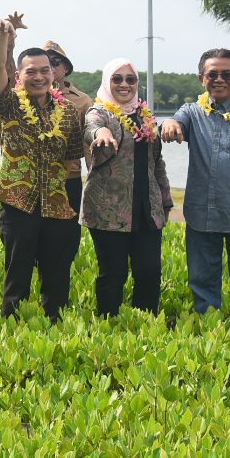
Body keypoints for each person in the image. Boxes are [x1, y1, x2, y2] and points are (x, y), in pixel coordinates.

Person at [160, 48, 230, 323]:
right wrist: (171, 123)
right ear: (202, 78)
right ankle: (208, 333)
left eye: (226, 74)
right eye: (212, 74)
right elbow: (177, 121)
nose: (219, 79)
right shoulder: (193, 111)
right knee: (202, 282)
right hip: (201, 212)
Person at [0, 15, 86, 321]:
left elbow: (72, 160)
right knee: (17, 271)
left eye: (46, 70)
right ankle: (11, 324)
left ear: (54, 75)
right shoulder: (9, 103)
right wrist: (4, 35)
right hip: (18, 201)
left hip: (57, 203)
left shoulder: (68, 112)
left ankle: (54, 324)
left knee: (56, 272)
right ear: (19, 75)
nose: (40, 77)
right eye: (32, 72)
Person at [81, 58, 172, 316]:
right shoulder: (99, 112)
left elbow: (157, 162)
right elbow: (92, 128)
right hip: (109, 211)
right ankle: (110, 326)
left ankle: (144, 326)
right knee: (113, 273)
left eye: (130, 79)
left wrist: (164, 200)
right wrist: (101, 134)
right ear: (107, 82)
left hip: (147, 208)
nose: (124, 84)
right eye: (117, 79)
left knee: (150, 271)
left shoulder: (145, 116)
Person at [43, 39, 94, 214]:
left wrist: (94, 180)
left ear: (65, 68)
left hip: (69, 178)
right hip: (36, 177)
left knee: (68, 235)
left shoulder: (83, 100)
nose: (50, 67)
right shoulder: (28, 94)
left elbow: (89, 145)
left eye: (55, 63)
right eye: (46, 62)